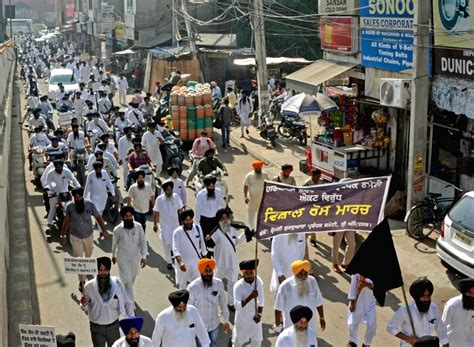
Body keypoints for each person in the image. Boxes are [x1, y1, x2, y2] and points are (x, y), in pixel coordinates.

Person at [60, 188, 108, 292]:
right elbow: (66, 221)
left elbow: (98, 217)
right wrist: (63, 235)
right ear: (73, 198)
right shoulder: (70, 207)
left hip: (89, 236)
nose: (78, 199)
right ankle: (82, 282)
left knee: (88, 256)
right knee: (79, 260)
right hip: (75, 236)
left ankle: (86, 269)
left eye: (80, 197)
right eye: (76, 197)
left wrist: (104, 230)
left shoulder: (90, 204)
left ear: (83, 196)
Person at [81, 257, 134, 347]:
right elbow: (85, 307)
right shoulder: (88, 286)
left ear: (109, 270)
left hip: (114, 326)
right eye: (100, 270)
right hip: (96, 328)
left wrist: (132, 321)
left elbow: (127, 303)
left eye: (105, 270)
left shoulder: (117, 284)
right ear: (96, 271)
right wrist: (83, 302)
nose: (103, 273)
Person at [205, 209, 254, 305]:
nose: (225, 220)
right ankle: (210, 299)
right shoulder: (215, 232)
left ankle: (231, 303)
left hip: (232, 262)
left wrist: (245, 234)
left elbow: (236, 242)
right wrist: (208, 241)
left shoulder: (232, 229)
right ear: (219, 220)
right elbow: (210, 249)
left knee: (232, 282)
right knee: (216, 282)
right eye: (223, 218)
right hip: (221, 263)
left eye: (226, 218)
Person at [387, 277, 449, 347]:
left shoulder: (434, 309)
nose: (426, 299)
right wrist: (408, 339)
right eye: (423, 296)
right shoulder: (405, 310)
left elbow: (441, 329)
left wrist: (445, 344)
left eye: (428, 296)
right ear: (416, 297)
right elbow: (391, 327)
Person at [274, 260, 325, 333]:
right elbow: (278, 307)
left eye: (305, 273)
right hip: (291, 326)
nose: (303, 276)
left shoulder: (312, 281)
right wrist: (278, 324)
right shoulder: (285, 286)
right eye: (300, 273)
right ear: (295, 273)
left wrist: (322, 318)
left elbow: (319, 301)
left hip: (309, 325)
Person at [187, 258, 230, 347]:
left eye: (210, 270)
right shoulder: (193, 287)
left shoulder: (219, 283)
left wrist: (226, 320)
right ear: (201, 272)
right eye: (205, 271)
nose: (208, 273)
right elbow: (189, 309)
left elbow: (223, 303)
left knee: (213, 343)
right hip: (199, 327)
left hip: (214, 324)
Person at [112, 206, 147, 304]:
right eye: (126, 216)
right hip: (123, 258)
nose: (128, 218)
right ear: (123, 217)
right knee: (127, 281)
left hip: (136, 258)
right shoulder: (117, 229)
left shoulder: (138, 226)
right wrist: (113, 255)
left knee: (130, 280)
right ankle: (130, 304)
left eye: (130, 216)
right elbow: (114, 244)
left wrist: (144, 257)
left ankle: (120, 292)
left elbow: (143, 242)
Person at [172, 209, 207, 289]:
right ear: (183, 221)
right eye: (186, 220)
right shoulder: (177, 232)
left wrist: (205, 260)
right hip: (184, 264)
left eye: (190, 219)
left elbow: (202, 244)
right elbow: (175, 249)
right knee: (182, 285)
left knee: (198, 284)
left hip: (196, 262)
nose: (188, 222)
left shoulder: (198, 228)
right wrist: (180, 262)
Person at [233, 260, 264, 347]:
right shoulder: (238, 286)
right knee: (238, 343)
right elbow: (237, 306)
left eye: (251, 272)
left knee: (257, 342)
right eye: (247, 273)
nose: (250, 275)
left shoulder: (258, 282)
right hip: (242, 320)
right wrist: (250, 297)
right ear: (243, 274)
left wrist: (260, 314)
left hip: (255, 320)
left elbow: (262, 300)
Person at [153, 181, 184, 270]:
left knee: (176, 243)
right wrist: (155, 224)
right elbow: (155, 212)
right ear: (164, 190)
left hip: (176, 225)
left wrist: (183, 222)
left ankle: (176, 257)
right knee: (166, 244)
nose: (169, 192)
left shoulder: (176, 197)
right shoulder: (159, 199)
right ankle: (169, 261)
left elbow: (180, 209)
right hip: (164, 226)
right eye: (167, 190)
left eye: (171, 190)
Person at [45, 159, 81, 228]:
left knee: (75, 204)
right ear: (54, 167)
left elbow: (73, 179)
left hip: (66, 193)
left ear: (62, 166)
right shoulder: (50, 173)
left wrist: (78, 188)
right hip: (55, 194)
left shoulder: (66, 171)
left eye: (60, 167)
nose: (59, 168)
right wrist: (49, 191)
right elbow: (48, 184)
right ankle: (49, 222)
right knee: (53, 207)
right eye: (57, 167)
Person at [442, 278, 474, 346]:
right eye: (470, 293)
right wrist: (444, 343)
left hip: (470, 342)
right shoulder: (452, 305)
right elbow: (442, 326)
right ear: (465, 293)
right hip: (453, 342)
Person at [347, 274, 377, 347]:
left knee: (372, 325)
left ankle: (366, 344)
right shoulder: (356, 273)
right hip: (357, 301)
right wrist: (353, 303)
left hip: (370, 302)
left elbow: (376, 286)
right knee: (352, 323)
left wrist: (365, 284)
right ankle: (353, 341)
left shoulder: (377, 271)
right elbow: (352, 288)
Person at [195, 175, 226, 241]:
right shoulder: (201, 194)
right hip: (204, 220)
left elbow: (223, 205)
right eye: (210, 186)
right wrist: (197, 222)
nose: (211, 188)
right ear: (207, 186)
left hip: (215, 219)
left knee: (216, 238)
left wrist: (221, 216)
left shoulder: (218, 192)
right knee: (205, 238)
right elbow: (197, 209)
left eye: (213, 186)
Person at [303, 169, 322, 247]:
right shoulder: (307, 183)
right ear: (312, 175)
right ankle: (312, 239)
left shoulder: (322, 182)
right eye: (316, 177)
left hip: (319, 206)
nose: (318, 178)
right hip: (309, 206)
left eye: (319, 177)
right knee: (311, 223)